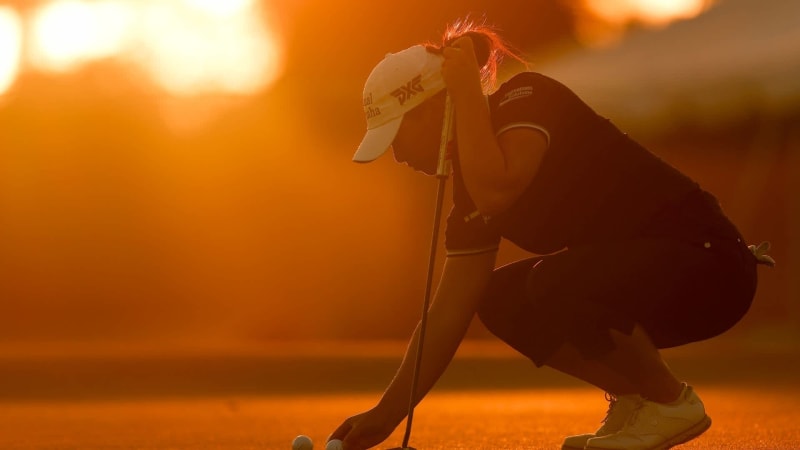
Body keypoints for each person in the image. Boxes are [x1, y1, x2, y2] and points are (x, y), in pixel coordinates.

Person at [330, 19, 774, 450]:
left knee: (553, 285)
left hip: (712, 269)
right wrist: (386, 414)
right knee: (500, 298)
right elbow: (447, 314)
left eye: (397, 136)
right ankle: (638, 399)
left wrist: (464, 92)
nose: (397, 155)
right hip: (651, 282)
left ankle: (670, 401)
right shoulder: (472, 194)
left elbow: (499, 189)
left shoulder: (526, 100)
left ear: (433, 110)